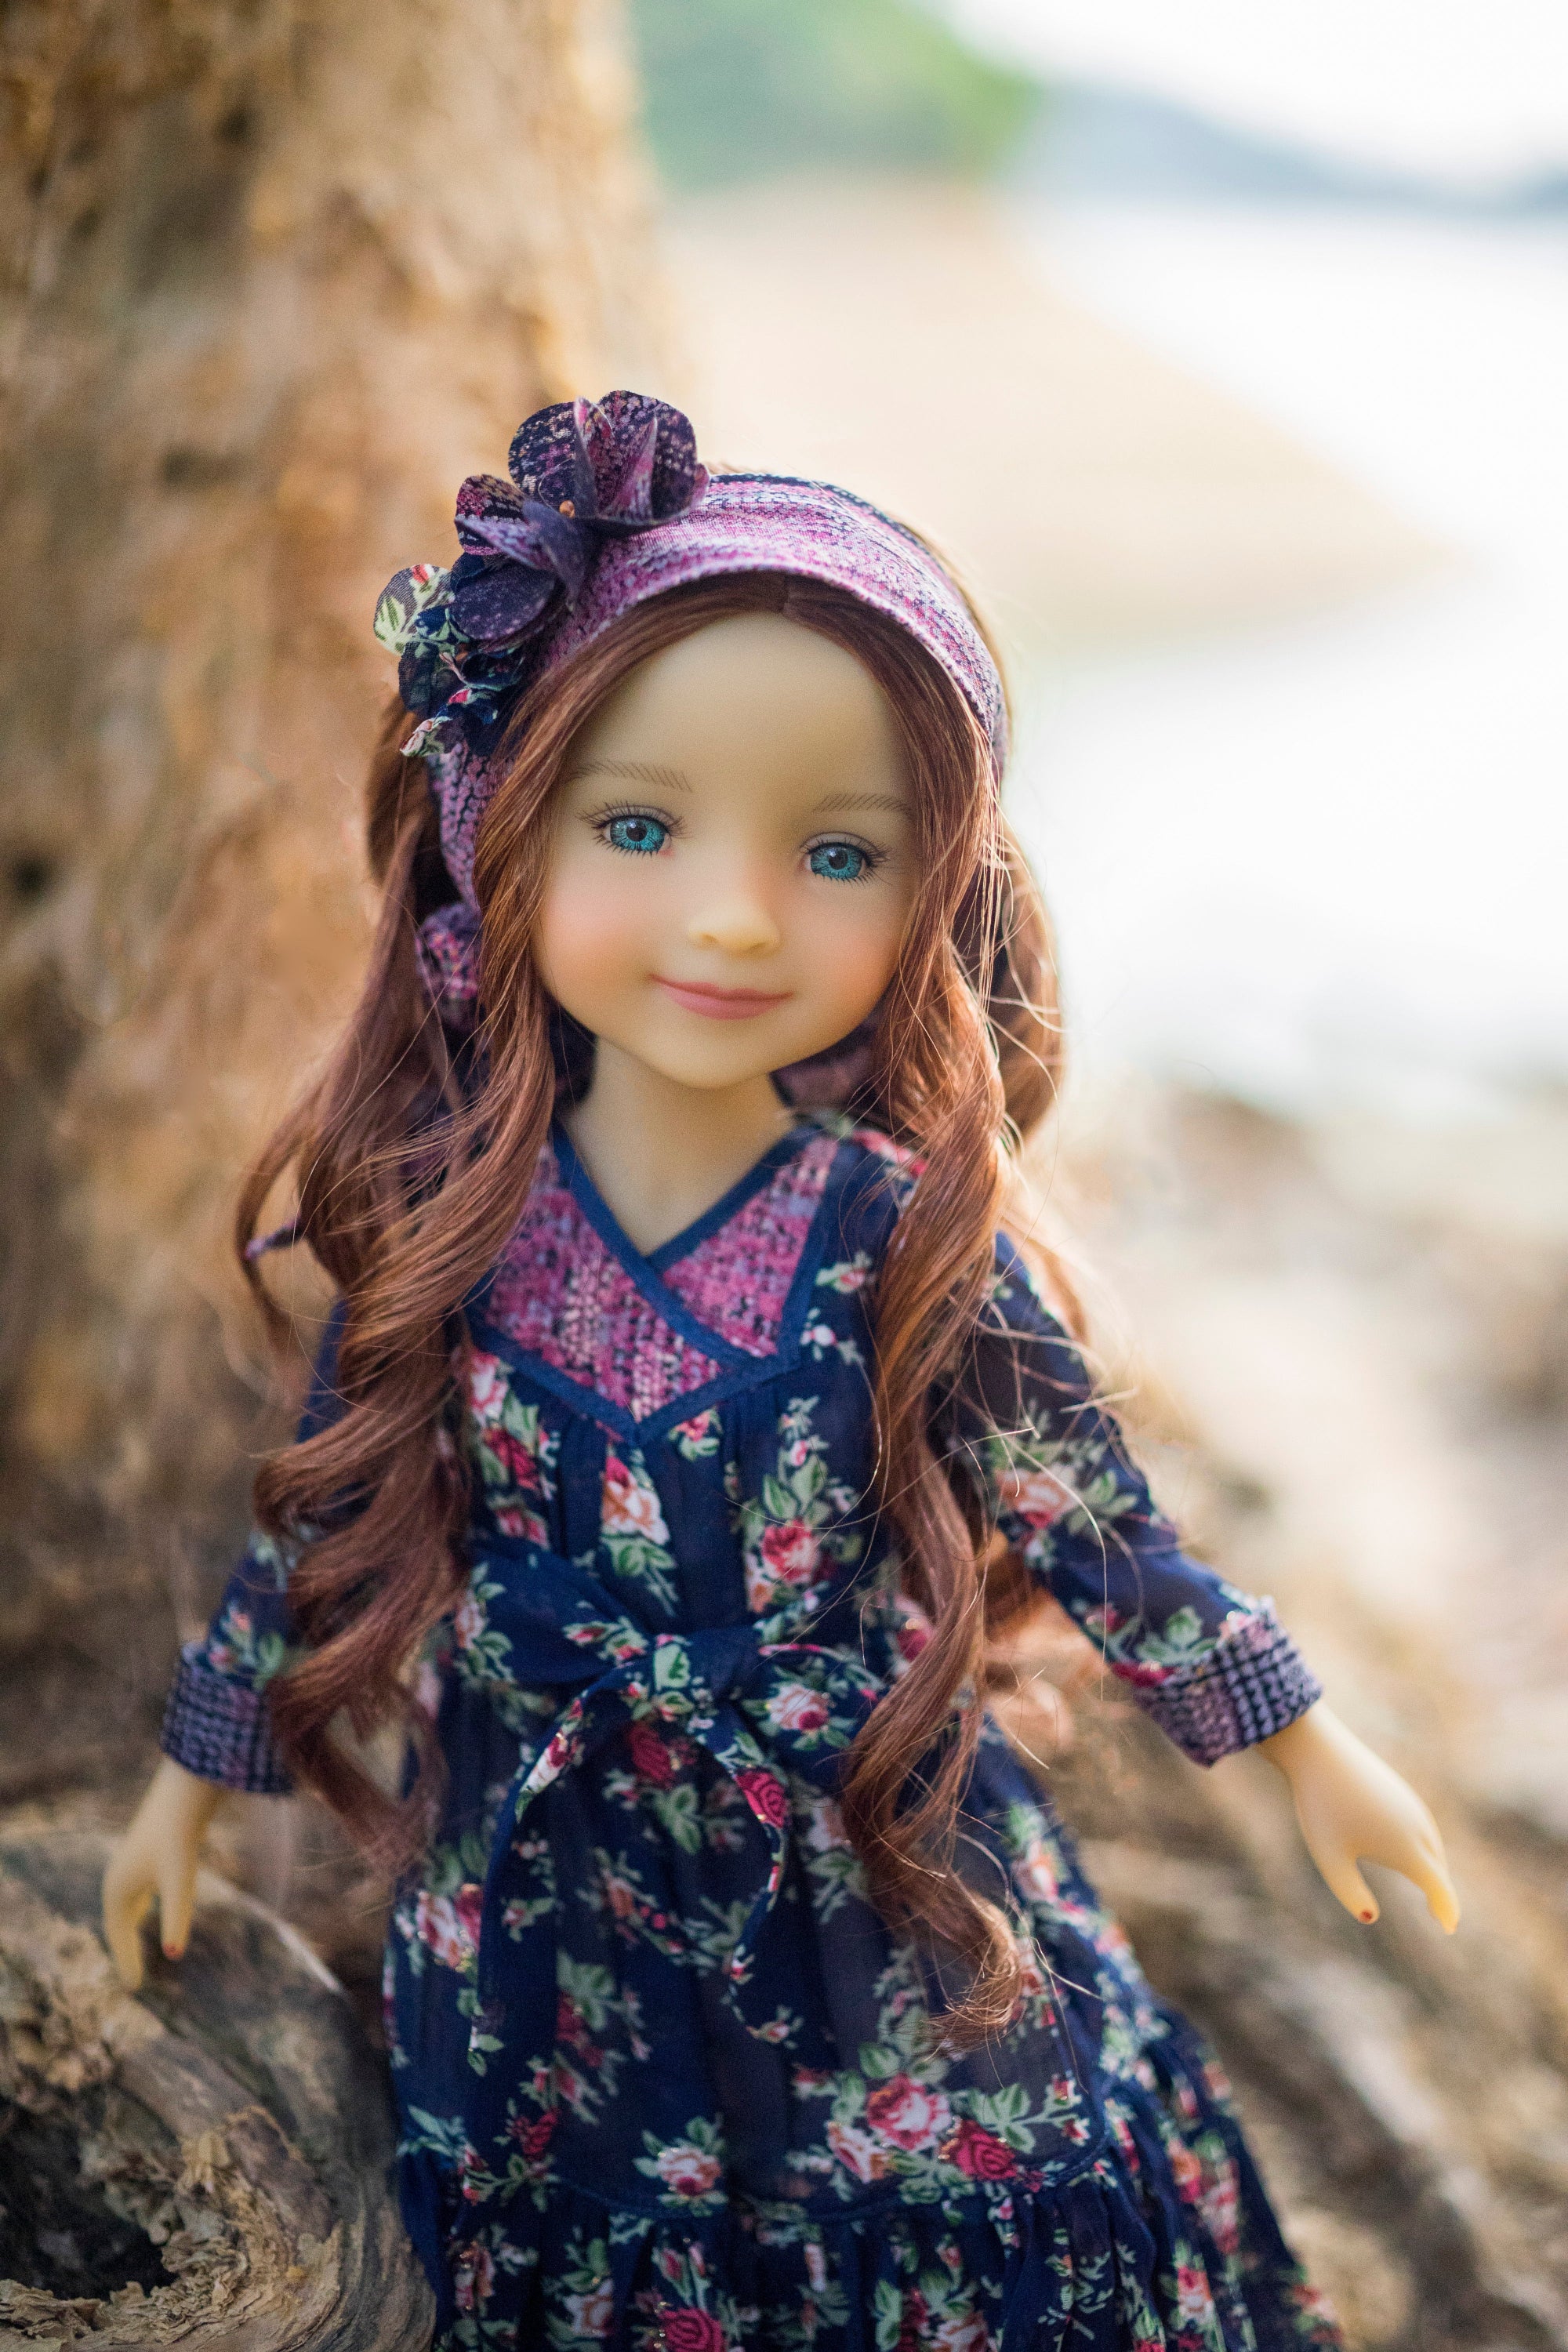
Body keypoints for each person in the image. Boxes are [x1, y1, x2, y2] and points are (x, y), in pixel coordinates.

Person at [103, 392, 1457, 2350]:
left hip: (869, 1847)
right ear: (508, 833)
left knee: (989, 2178)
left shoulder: (901, 1234)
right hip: (548, 1898)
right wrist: (194, 1779)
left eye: (837, 851)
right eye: (640, 828)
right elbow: (333, 1507)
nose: (734, 915)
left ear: (932, 898)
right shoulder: (446, 1233)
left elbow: (1097, 1526)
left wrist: (1297, 1740)